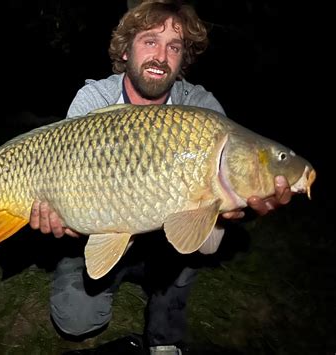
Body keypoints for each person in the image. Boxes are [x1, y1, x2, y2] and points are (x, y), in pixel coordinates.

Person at [30, 1, 292, 354]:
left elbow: (217, 216)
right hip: (99, 225)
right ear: (125, 50)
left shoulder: (203, 111)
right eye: (150, 41)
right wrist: (62, 215)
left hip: (167, 242)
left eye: (174, 46)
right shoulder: (94, 99)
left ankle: (164, 319)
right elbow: (67, 196)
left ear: (183, 58)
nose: (161, 56)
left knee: (207, 234)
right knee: (76, 320)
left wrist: (238, 204)